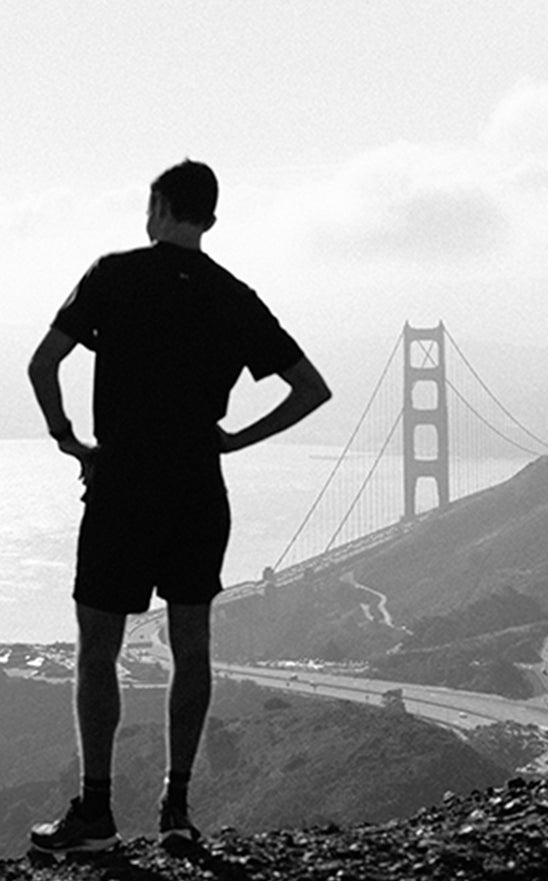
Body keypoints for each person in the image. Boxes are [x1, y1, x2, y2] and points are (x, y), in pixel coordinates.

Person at [27, 159, 331, 854]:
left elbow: (43, 364)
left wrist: (70, 442)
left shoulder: (112, 274)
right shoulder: (235, 295)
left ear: (158, 207)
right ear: (211, 219)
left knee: (97, 649)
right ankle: (177, 808)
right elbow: (311, 388)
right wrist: (233, 440)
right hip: (198, 489)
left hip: (124, 486)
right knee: (191, 649)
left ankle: (95, 813)